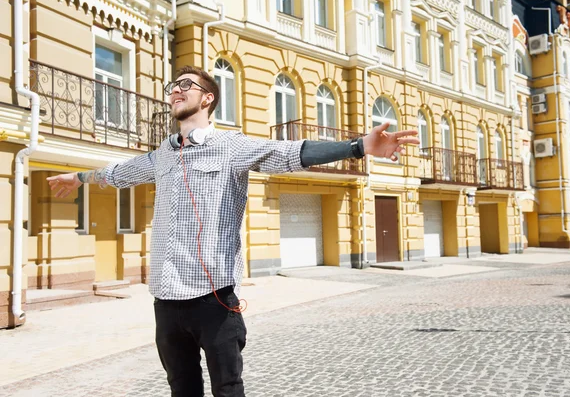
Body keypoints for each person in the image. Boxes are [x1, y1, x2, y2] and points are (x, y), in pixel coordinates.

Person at [47, 65, 419, 397]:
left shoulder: (232, 146)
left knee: (228, 389)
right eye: (172, 87)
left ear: (208, 98)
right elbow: (118, 173)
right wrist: (79, 177)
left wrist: (357, 147)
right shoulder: (163, 154)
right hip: (166, 299)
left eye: (186, 85)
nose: (176, 91)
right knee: (181, 387)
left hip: (214, 300)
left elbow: (292, 152)